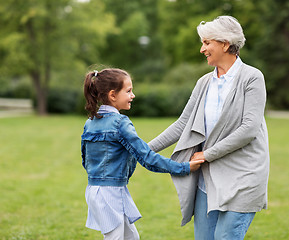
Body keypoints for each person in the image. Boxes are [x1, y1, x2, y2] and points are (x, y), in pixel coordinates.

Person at [148, 16, 270, 240]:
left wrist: (207, 154)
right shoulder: (204, 82)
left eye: (207, 43)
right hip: (208, 179)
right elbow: (183, 124)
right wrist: (143, 149)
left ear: (225, 43)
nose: (202, 49)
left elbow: (249, 129)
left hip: (243, 176)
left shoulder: (252, 78)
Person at [81, 68, 204, 240]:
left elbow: (85, 159)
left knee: (131, 237)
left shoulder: (90, 122)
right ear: (112, 95)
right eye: (128, 91)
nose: (133, 95)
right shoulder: (120, 123)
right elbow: (147, 157)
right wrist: (183, 167)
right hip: (110, 192)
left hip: (95, 189)